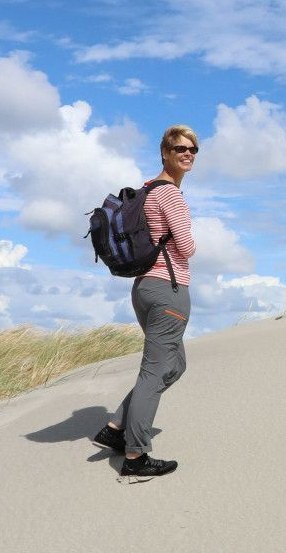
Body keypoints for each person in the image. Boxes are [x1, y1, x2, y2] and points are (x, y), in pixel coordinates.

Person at [93, 125, 198, 481]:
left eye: (193, 149)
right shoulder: (169, 195)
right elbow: (187, 247)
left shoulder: (148, 191)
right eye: (180, 148)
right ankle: (135, 455)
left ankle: (115, 426)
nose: (188, 153)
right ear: (165, 152)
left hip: (144, 288)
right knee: (155, 372)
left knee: (174, 365)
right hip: (167, 288)